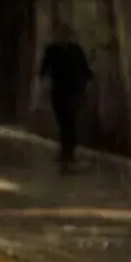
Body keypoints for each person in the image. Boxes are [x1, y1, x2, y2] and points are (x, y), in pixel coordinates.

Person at [39, 24, 93, 168]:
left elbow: (85, 71)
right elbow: (44, 70)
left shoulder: (74, 50)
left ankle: (68, 151)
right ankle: (66, 150)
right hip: (61, 90)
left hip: (71, 90)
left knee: (69, 121)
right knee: (65, 121)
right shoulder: (54, 50)